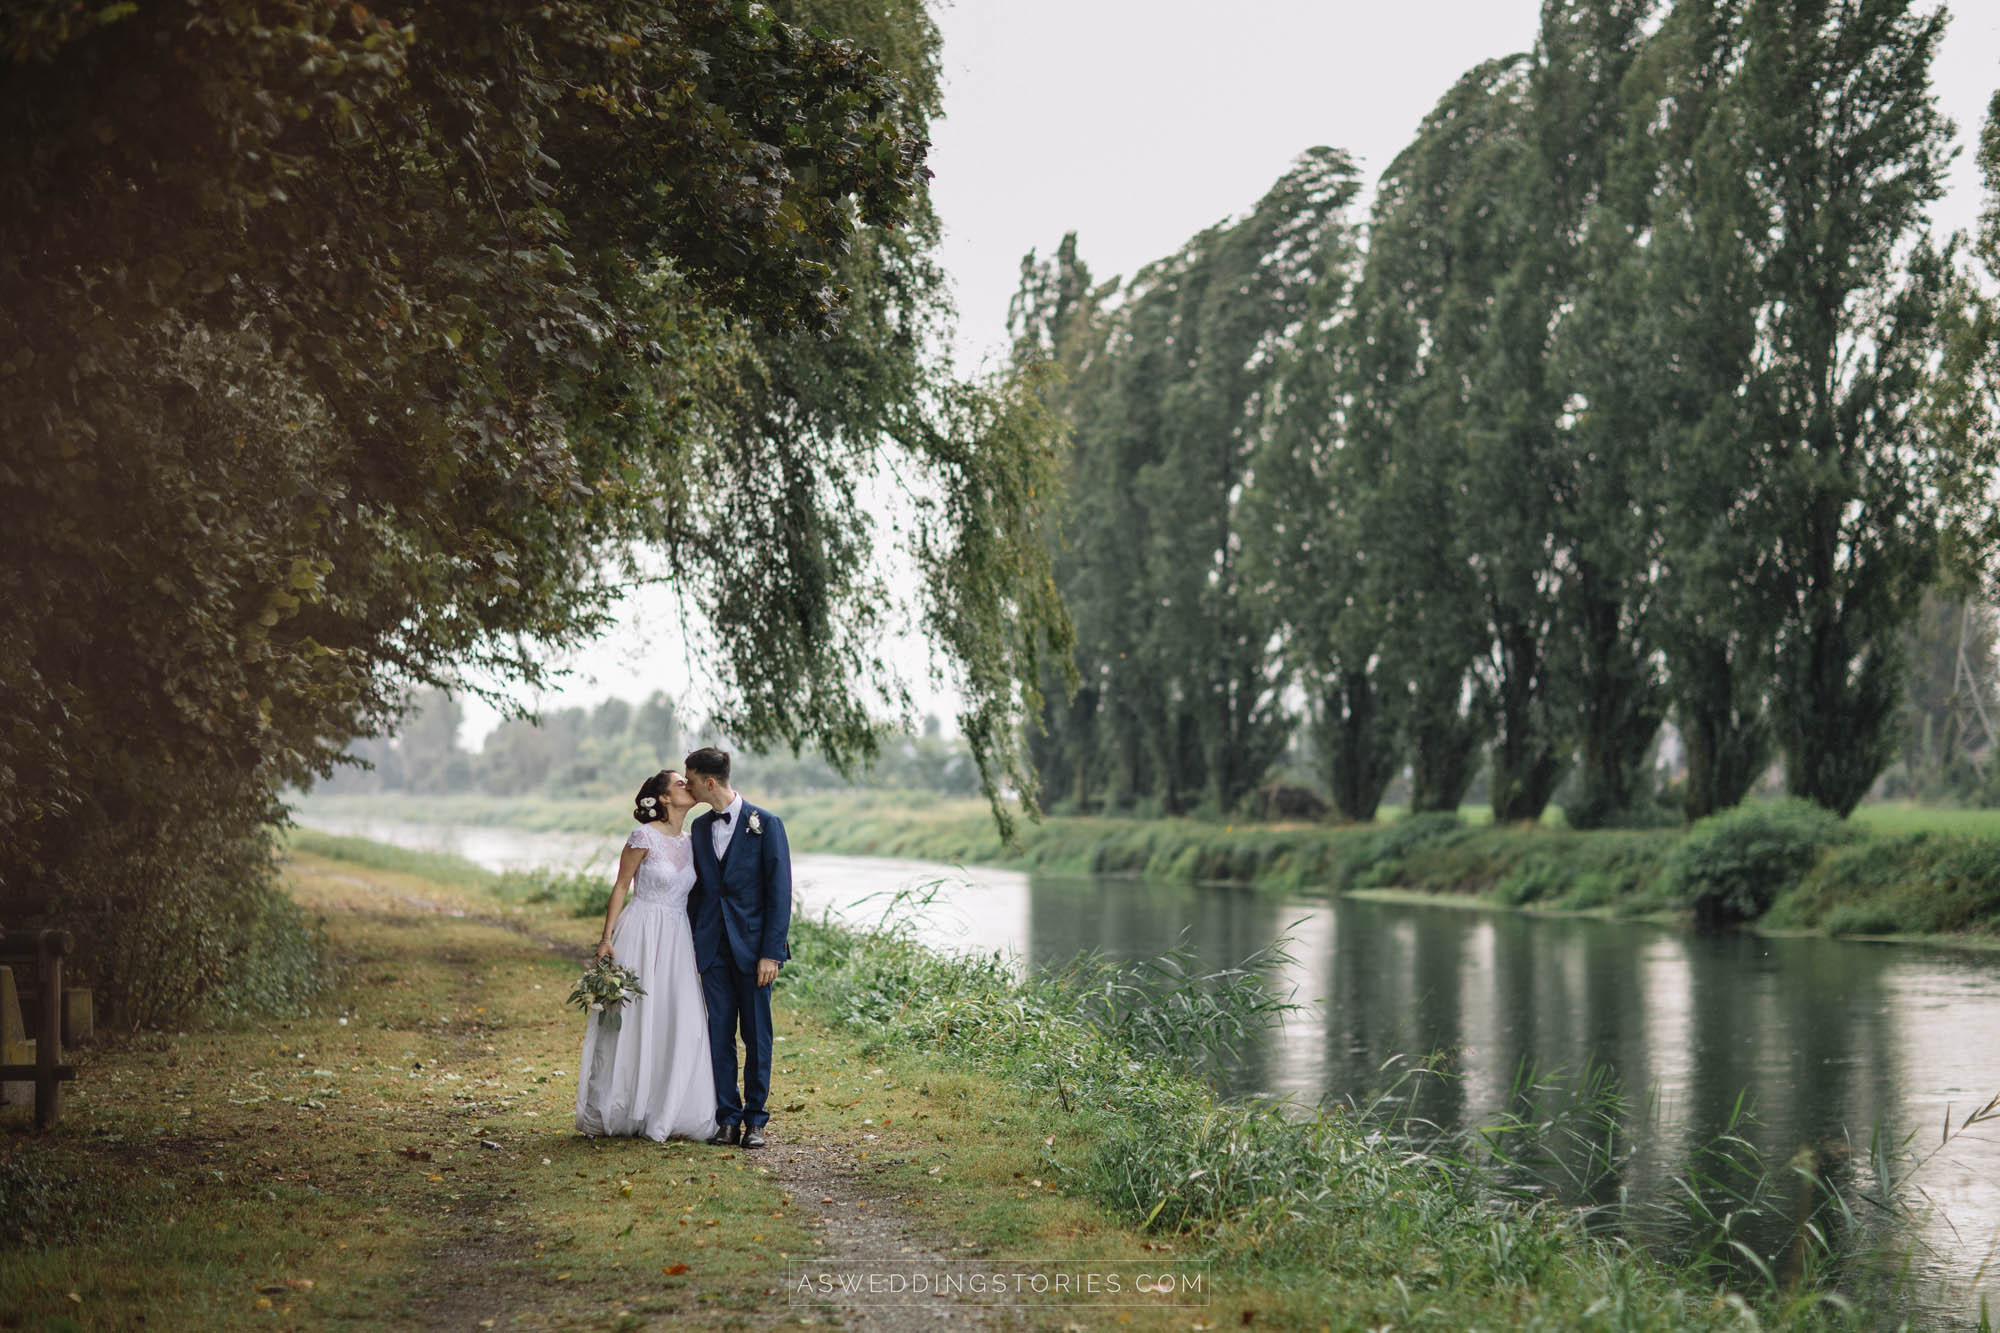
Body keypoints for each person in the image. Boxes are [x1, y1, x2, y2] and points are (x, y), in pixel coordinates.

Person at [574, 769, 718, 1142]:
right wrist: (606, 938)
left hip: (677, 936)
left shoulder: (693, 841)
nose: (688, 785)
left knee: (678, 1017)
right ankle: (622, 1106)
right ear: (664, 798)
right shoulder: (643, 836)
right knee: (633, 1018)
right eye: (680, 783)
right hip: (641, 930)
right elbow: (622, 885)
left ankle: (668, 1108)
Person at [683, 746, 791, 1149]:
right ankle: (727, 1119)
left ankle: (756, 1120)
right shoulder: (698, 828)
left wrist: (771, 952)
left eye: (691, 780)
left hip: (754, 951)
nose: (688, 787)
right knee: (719, 1033)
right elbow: (696, 892)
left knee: (757, 1035)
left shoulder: (767, 824)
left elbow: (780, 893)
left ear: (709, 782)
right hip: (713, 949)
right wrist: (693, 940)